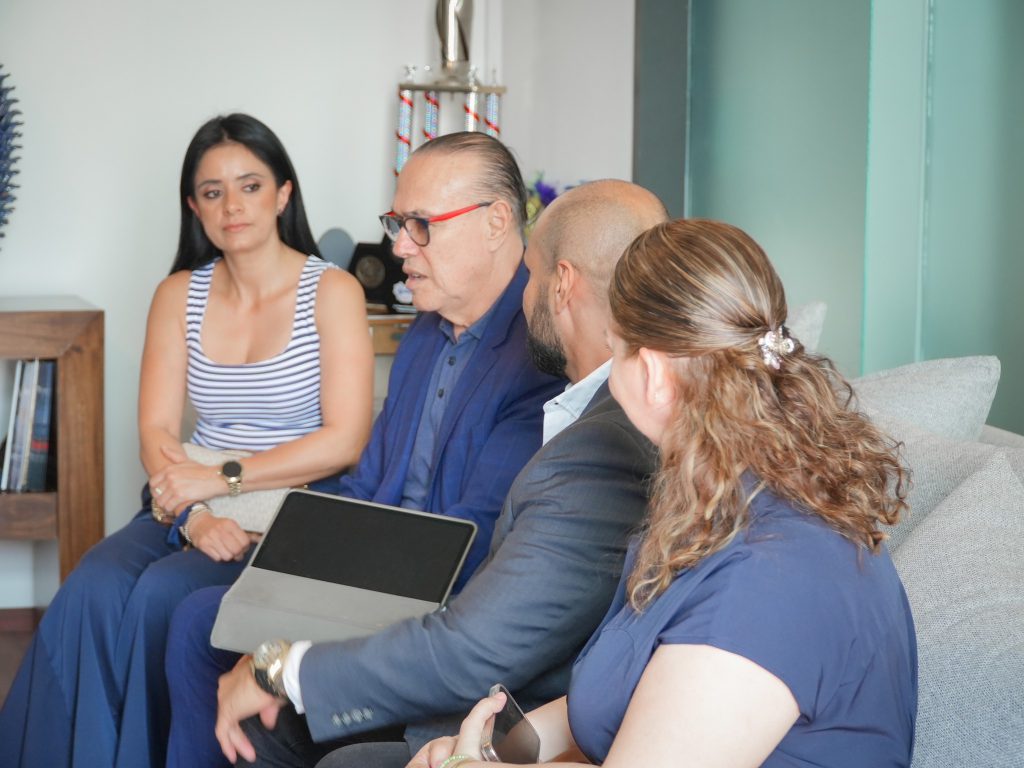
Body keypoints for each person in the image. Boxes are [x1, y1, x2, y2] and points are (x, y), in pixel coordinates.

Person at [164, 180, 669, 768]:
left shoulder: (600, 442)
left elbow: (479, 632)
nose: (401, 246)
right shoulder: (434, 341)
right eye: (398, 224)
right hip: (485, 654)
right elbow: (369, 484)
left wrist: (283, 669)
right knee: (202, 623)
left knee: (294, 725)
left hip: (501, 688)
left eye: (421, 225)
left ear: (561, 283)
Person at [410, 219, 919, 768]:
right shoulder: (722, 504)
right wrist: (491, 750)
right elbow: (630, 695)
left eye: (615, 351)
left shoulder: (767, 580)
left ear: (652, 373)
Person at [0, 114, 375, 768]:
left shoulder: (333, 291)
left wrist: (224, 480)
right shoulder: (178, 294)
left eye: (250, 186)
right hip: (189, 495)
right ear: (194, 207)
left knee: (158, 596)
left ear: (283, 194)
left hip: (289, 500)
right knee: (93, 586)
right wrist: (196, 512)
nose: (232, 206)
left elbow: (345, 441)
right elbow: (154, 431)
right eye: (212, 192)